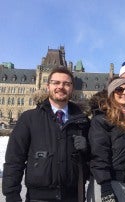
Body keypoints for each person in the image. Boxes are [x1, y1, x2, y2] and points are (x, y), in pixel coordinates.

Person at [2, 67, 90, 201]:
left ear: (72, 88)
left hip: (72, 196)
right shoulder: (29, 119)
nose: (61, 87)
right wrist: (11, 195)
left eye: (66, 84)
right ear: (47, 86)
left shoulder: (82, 121)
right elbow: (14, 161)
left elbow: (94, 161)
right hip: (39, 198)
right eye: (56, 83)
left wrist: (87, 149)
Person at [87, 78, 125, 202]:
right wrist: (105, 186)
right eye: (119, 89)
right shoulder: (101, 120)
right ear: (111, 94)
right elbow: (99, 155)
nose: (124, 92)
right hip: (106, 184)